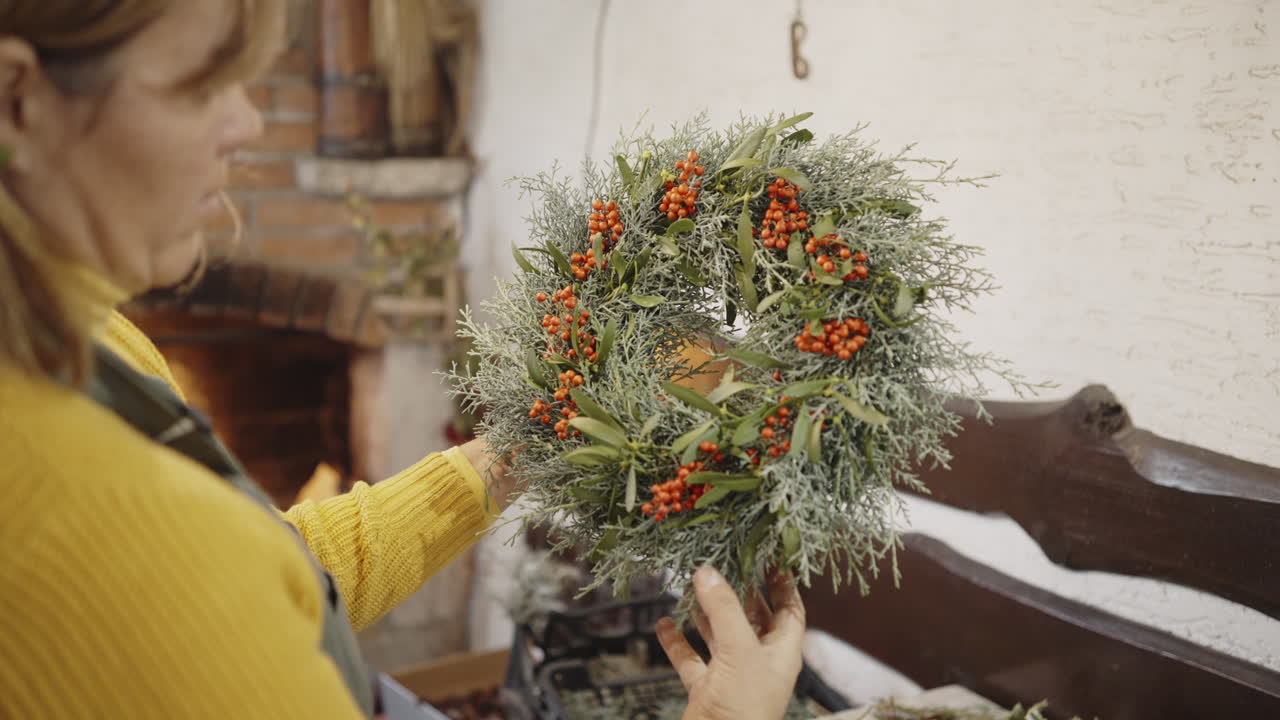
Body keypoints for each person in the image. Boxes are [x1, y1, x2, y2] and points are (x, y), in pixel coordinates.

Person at [0, 1, 806, 718]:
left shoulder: (81, 338)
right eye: (201, 83)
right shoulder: (80, 517)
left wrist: (514, 454)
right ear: (16, 101)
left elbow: (275, 572)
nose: (246, 124)